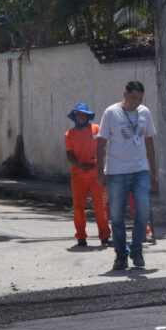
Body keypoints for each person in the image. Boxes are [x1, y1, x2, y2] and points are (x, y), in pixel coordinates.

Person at [96, 81, 157, 271]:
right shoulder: (111, 113)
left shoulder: (145, 112)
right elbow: (100, 145)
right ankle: (121, 255)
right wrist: (100, 172)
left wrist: (153, 172)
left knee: (143, 209)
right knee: (116, 216)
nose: (136, 103)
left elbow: (149, 144)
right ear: (125, 94)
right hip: (116, 172)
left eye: (139, 99)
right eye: (133, 98)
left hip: (140, 171)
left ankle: (136, 249)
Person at [65, 103, 111, 248]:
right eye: (78, 115)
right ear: (75, 117)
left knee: (102, 206)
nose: (81, 117)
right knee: (79, 207)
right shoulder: (69, 134)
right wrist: (81, 166)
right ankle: (80, 237)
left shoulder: (97, 129)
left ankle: (105, 236)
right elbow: (70, 156)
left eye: (83, 115)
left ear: (87, 116)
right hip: (78, 176)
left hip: (97, 175)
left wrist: (99, 162)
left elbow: (105, 147)